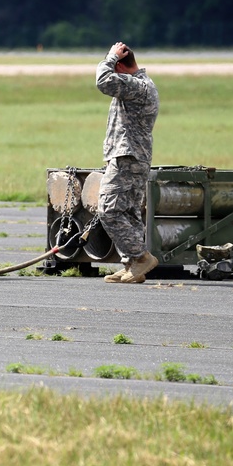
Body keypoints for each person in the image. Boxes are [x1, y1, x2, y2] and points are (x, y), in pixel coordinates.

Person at [96, 42, 160, 284]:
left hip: (128, 157)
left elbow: (103, 81)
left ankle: (140, 257)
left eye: (115, 66)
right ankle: (132, 265)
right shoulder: (138, 86)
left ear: (120, 66)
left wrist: (109, 58)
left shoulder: (137, 86)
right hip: (132, 156)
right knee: (128, 212)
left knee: (109, 210)